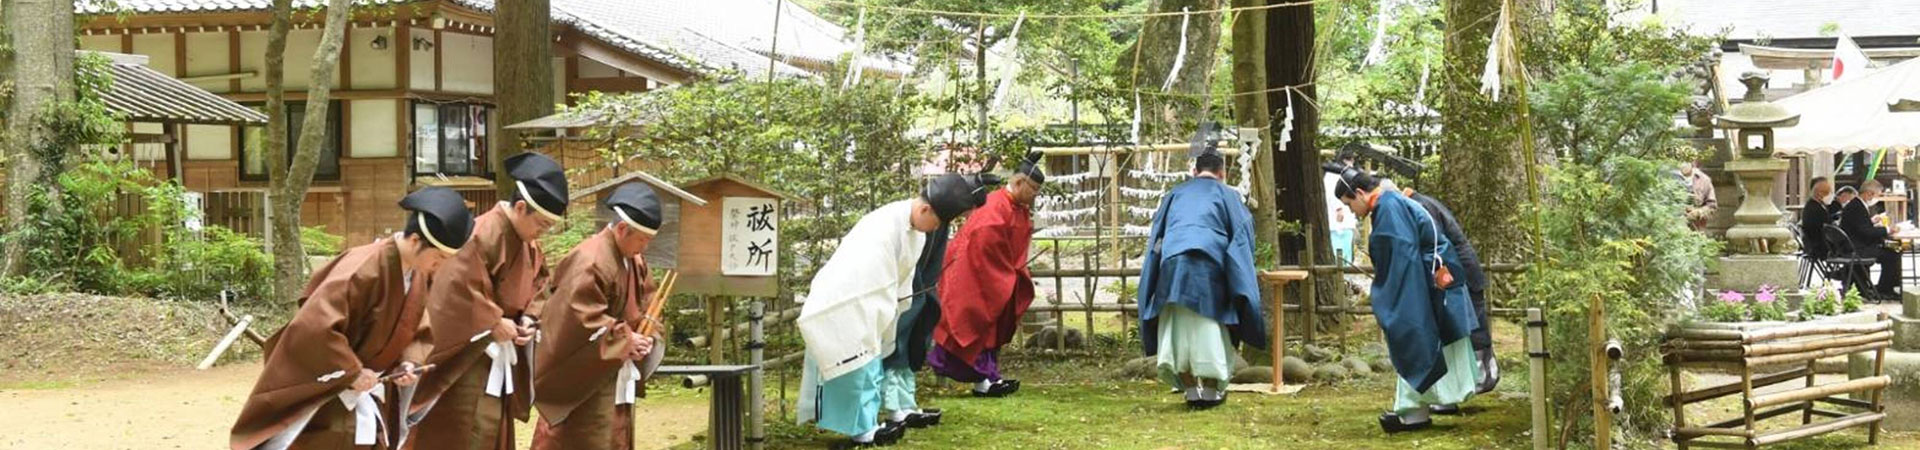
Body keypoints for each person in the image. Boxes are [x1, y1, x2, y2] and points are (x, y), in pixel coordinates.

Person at [230, 187, 475, 450]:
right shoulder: (362, 268)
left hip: (369, 389)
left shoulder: (416, 274)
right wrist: (351, 371)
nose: (440, 266)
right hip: (332, 390)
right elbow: (314, 326)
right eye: (439, 257)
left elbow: (415, 325)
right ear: (415, 240)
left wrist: (408, 362)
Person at [795, 174, 980, 448]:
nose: (936, 228)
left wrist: (897, 306)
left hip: (873, 305)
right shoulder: (883, 226)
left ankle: (866, 426)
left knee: (869, 364)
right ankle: (862, 429)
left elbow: (902, 279)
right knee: (857, 366)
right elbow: (872, 278)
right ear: (925, 209)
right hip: (847, 302)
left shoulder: (914, 230)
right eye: (938, 222)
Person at [407, 153, 568, 449]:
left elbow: (540, 286)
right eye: (542, 224)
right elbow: (455, 287)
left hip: (497, 352)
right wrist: (493, 321)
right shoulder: (482, 233)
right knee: (462, 431)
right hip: (467, 357)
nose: (542, 232)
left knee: (489, 431)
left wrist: (529, 319)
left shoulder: (525, 242)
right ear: (521, 208)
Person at [1324, 163, 1479, 433]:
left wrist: (1389, 298)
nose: (1352, 212)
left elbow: (1401, 259)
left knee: (1413, 340)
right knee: (1428, 345)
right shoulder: (1392, 203)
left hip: (1420, 285)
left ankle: (1413, 413)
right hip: (1434, 281)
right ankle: (1418, 408)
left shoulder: (1389, 208)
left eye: (1350, 205)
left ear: (1360, 193)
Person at [1136, 124, 1267, 409]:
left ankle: (1189, 391)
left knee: (1176, 329)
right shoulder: (1227, 195)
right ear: (1222, 174)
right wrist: (1240, 280)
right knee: (1211, 328)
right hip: (1210, 267)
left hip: (1172, 269)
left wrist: (1155, 277)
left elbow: (1157, 237)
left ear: (1194, 171)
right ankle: (1209, 392)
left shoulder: (1175, 194)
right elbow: (1242, 238)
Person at [527, 182, 665, 450]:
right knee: (581, 437)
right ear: (623, 229)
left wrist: (647, 336)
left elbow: (650, 303)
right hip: (586, 375)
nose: (645, 247)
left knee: (614, 436)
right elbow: (578, 319)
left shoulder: (634, 259)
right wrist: (625, 339)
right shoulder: (590, 260)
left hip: (614, 366)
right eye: (642, 240)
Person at [877, 171, 997, 431]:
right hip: (908, 291)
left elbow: (933, 261)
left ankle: (907, 402)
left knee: (913, 346)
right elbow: (911, 259)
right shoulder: (924, 217)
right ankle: (893, 407)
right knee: (897, 345)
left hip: (923, 290)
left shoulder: (939, 221)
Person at [930, 152, 1045, 398]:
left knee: (989, 330)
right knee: (975, 323)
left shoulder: (1017, 208)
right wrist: (1006, 274)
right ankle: (984, 379)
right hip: (975, 277)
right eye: (1033, 188)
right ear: (1018, 183)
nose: (1035, 194)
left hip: (997, 276)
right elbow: (984, 244)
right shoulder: (994, 206)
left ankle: (988, 378)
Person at [1400, 189, 1498, 395]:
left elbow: (1435, 243)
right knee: (1462, 327)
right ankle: (1466, 382)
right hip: (1455, 269)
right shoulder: (1422, 203)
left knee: (1473, 327)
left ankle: (1486, 375)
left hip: (1460, 270)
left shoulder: (1421, 207)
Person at [1840, 182, 1901, 300]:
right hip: (1858, 249)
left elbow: (1860, 226)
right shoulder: (1857, 207)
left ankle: (1884, 287)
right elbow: (1865, 232)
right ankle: (1885, 289)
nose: (1877, 198)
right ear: (1869, 194)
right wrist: (1888, 229)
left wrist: (1871, 222)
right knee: (1893, 254)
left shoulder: (1856, 204)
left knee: (1892, 249)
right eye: (1877, 195)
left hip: (1854, 245)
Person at [1326, 154, 1359, 264]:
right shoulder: (1333, 174)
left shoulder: (1347, 173)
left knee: (1346, 251)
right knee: (1338, 250)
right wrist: (1338, 208)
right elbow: (1331, 193)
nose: (1352, 163)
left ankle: (1346, 275)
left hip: (1347, 221)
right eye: (1350, 159)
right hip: (1337, 220)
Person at [1800, 177, 1835, 260]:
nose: (1830, 194)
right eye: (1827, 192)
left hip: (1818, 243)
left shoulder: (1818, 205)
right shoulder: (1814, 208)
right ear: (1819, 193)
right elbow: (1823, 227)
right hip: (1820, 246)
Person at [1681, 161, 1717, 230]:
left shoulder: (1704, 180)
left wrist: (1698, 212)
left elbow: (1712, 206)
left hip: (1696, 230)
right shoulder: (1669, 177)